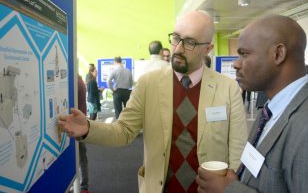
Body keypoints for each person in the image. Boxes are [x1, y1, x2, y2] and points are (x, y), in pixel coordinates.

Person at [59, 10, 248, 193]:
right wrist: (89, 129)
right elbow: (123, 130)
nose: (178, 49)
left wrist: (231, 182)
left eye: (189, 42)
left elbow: (237, 151)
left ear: (208, 48)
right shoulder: (149, 84)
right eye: (176, 38)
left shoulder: (228, 89)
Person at [197, 15, 308, 193]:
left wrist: (230, 190)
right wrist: (238, 180)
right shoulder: (269, 111)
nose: (236, 64)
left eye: (244, 54)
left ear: (278, 54)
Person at [77, 74, 90, 193]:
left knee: (81, 158)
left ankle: (83, 187)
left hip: (77, 126)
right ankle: (83, 187)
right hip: (80, 125)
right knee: (82, 158)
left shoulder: (75, 82)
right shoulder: (79, 80)